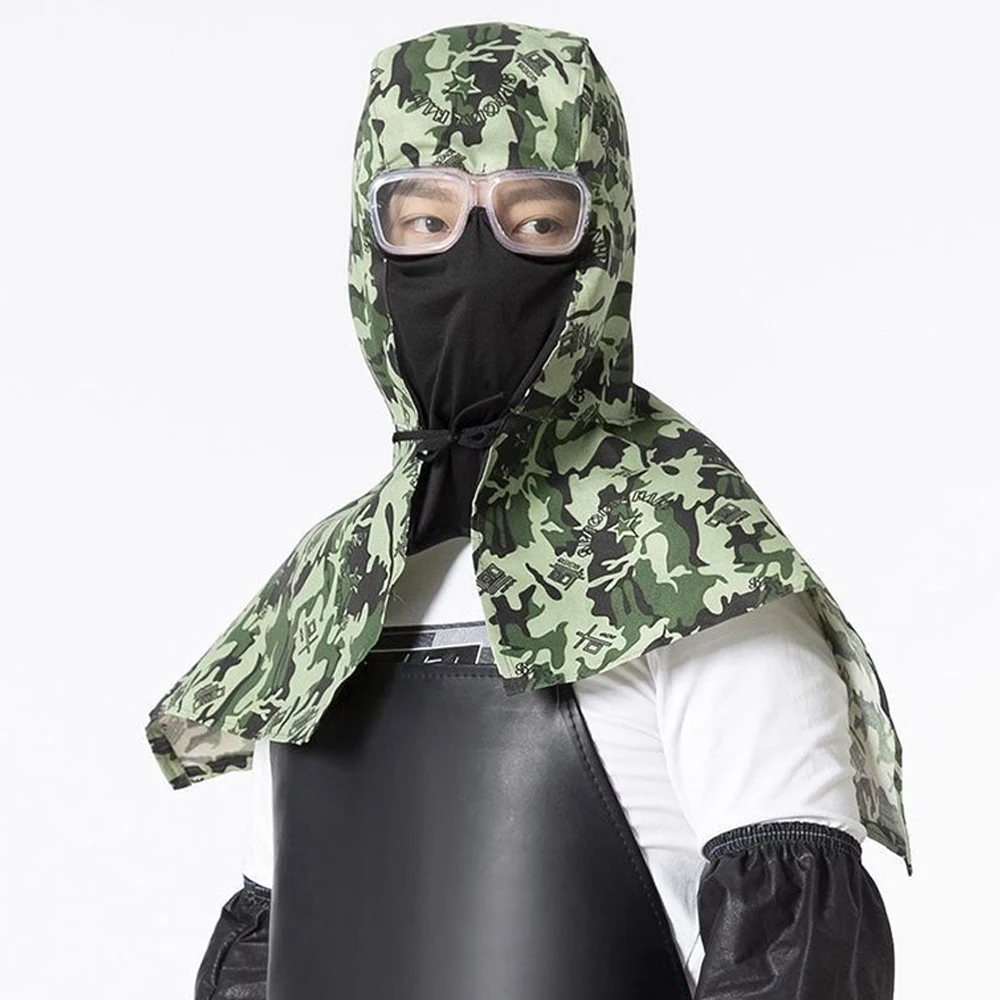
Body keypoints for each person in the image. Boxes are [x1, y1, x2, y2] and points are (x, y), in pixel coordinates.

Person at [145, 22, 911, 1000]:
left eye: (536, 221)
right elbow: (265, 960)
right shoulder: (328, 592)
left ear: (602, 242)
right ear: (370, 249)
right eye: (424, 220)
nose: (473, 258)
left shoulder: (694, 567)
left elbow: (796, 965)